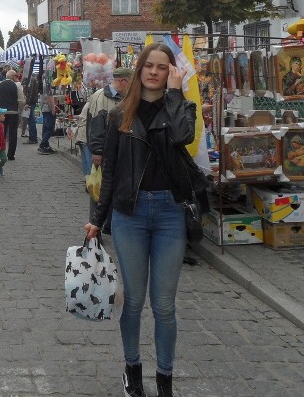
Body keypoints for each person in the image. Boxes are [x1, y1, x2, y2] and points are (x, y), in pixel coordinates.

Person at [83, 43, 194, 397]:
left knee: (163, 304)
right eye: (149, 65)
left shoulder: (181, 109)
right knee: (132, 300)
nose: (154, 72)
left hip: (169, 214)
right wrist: (97, 220)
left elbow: (183, 136)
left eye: (162, 67)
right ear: (139, 69)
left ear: (171, 73)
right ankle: (132, 370)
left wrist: (176, 95)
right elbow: (111, 171)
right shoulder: (119, 116)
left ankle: (165, 380)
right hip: (129, 214)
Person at [0, 69, 24, 161]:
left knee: (1, 133)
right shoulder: (17, 85)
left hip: (2, 113)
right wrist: (19, 109)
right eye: (15, 76)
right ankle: (11, 155)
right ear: (13, 76)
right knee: (13, 134)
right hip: (13, 112)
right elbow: (21, 100)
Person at [38, 63, 57, 155]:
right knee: (50, 128)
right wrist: (53, 108)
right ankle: (42, 145)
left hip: (44, 107)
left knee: (46, 128)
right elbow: (49, 97)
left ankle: (46, 145)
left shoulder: (43, 81)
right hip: (48, 108)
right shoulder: (48, 82)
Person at [23, 73, 40, 145]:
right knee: (31, 120)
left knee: (31, 120)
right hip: (32, 102)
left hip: (30, 102)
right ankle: (33, 138)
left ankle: (32, 138)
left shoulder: (30, 80)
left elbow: (30, 92)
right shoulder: (32, 80)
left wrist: (27, 103)